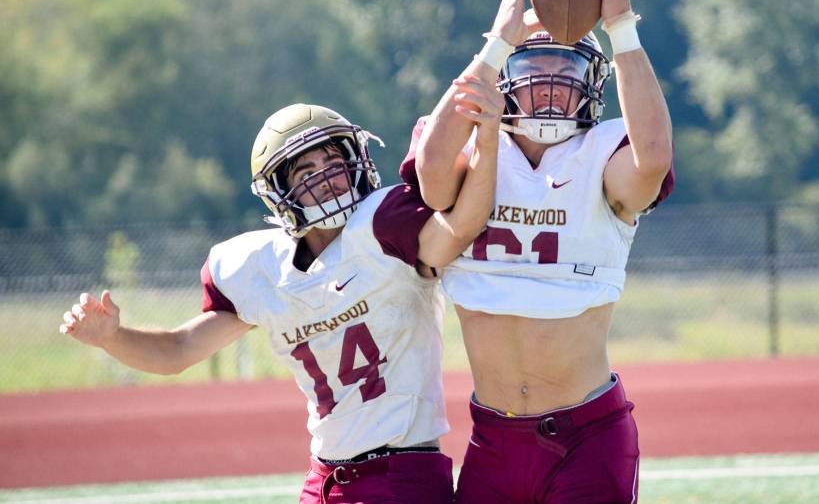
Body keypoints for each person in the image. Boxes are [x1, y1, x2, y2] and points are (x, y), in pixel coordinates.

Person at [60, 97, 503, 504]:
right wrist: (112, 337)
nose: (328, 177)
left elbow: (461, 227)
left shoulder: (387, 227)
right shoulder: (260, 268)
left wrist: (482, 139)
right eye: (307, 172)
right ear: (279, 191)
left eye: (333, 160)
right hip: (322, 479)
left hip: (401, 471)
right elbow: (177, 351)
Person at [403, 0, 674, 503]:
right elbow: (430, 175)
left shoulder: (600, 154)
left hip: (585, 433)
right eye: (537, 68)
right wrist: (495, 43)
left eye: (567, 72)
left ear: (591, 86)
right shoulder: (475, 148)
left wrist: (621, 27)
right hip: (494, 438)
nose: (551, 87)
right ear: (507, 78)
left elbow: (652, 161)